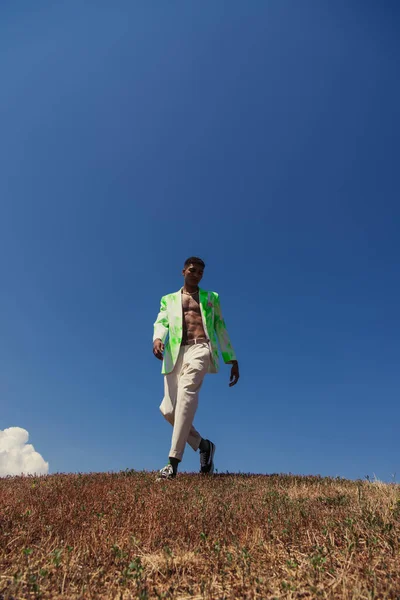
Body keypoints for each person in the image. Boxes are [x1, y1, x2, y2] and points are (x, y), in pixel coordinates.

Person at [153, 256, 239, 480]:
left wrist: (232, 358)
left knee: (186, 395)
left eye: (201, 272)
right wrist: (157, 339)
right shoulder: (168, 299)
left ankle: (172, 464)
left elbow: (220, 325)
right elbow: (161, 321)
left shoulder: (211, 298)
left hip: (200, 348)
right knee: (169, 410)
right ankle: (203, 446)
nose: (197, 274)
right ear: (183, 271)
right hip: (174, 353)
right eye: (193, 270)